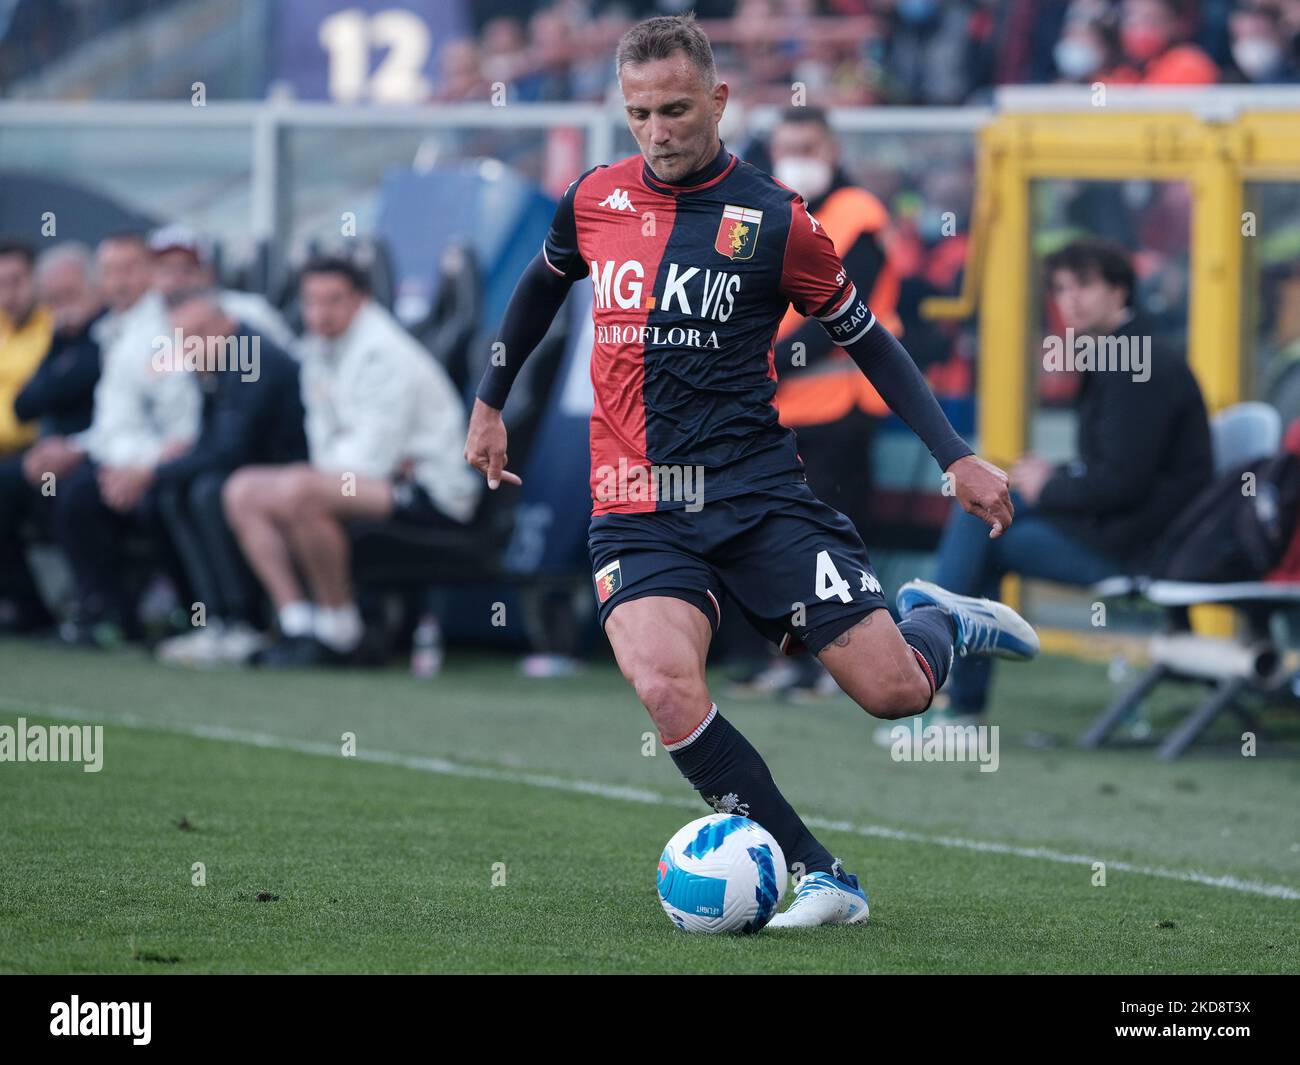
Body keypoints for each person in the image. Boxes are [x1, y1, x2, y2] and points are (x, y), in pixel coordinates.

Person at [463, 13, 1039, 930]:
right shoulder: (594, 198)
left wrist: (956, 454)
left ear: (720, 101)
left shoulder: (777, 221)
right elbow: (541, 284)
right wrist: (491, 401)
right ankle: (821, 871)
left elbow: (871, 343)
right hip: (636, 502)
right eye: (640, 113)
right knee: (663, 685)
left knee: (894, 694)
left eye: (677, 110)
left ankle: (939, 622)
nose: (658, 132)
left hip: (756, 494)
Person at [906, 237, 1212, 737]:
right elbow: (1115, 468)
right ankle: (954, 699)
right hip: (1121, 527)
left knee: (982, 526)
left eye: (1084, 286)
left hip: (1142, 546)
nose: (1070, 300)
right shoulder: (1120, 352)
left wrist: (1050, 486)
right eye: (1061, 289)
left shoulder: (1141, 363)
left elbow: (1121, 484)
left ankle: (940, 686)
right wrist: (1048, 478)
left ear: (1120, 289)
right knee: (985, 510)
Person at [222, 257, 480, 668]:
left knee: (300, 491)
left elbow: (372, 459)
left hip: (431, 492)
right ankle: (298, 624)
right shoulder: (317, 348)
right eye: (311, 301)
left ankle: (340, 632)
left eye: (333, 300)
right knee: (241, 489)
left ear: (360, 300)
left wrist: (307, 477)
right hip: (377, 479)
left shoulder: (384, 351)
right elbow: (326, 443)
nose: (320, 313)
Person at [728, 104, 902, 701]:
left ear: (831, 148)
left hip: (838, 408)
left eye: (808, 145)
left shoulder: (860, 214)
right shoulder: (772, 212)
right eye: (787, 146)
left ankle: (836, 665)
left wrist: (758, 365)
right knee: (771, 539)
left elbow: (841, 320)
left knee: (830, 544)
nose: (797, 157)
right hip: (777, 411)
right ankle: (780, 657)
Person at [51, 225, 293, 645]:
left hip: (251, 459)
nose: (176, 278)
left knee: (194, 491)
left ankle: (246, 621)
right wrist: (144, 464)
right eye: (165, 268)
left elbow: (241, 426)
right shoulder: (137, 332)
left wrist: (156, 468)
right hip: (189, 458)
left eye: (187, 268)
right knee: (91, 495)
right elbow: (119, 419)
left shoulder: (246, 325)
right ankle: (189, 618)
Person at [148, 290, 308, 667]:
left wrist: (151, 473)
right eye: (184, 339)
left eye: (198, 334)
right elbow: (212, 441)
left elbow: (231, 450)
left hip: (289, 473)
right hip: (249, 472)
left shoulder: (252, 356)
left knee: (206, 492)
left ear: (224, 324)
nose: (190, 347)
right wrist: (168, 466)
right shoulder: (217, 362)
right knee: (174, 493)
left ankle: (245, 621)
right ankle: (212, 618)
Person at [0, 243, 104, 632]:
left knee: (69, 494)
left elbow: (69, 382)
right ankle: (29, 610)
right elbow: (26, 402)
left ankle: (100, 612)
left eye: (71, 295)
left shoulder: (100, 332)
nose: (64, 306)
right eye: (56, 298)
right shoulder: (61, 336)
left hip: (88, 457)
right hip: (45, 455)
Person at [0, 240, 53, 459]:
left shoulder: (55, 329)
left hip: (28, 453)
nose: (8, 294)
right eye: (0, 284)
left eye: (16, 281)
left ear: (36, 280)